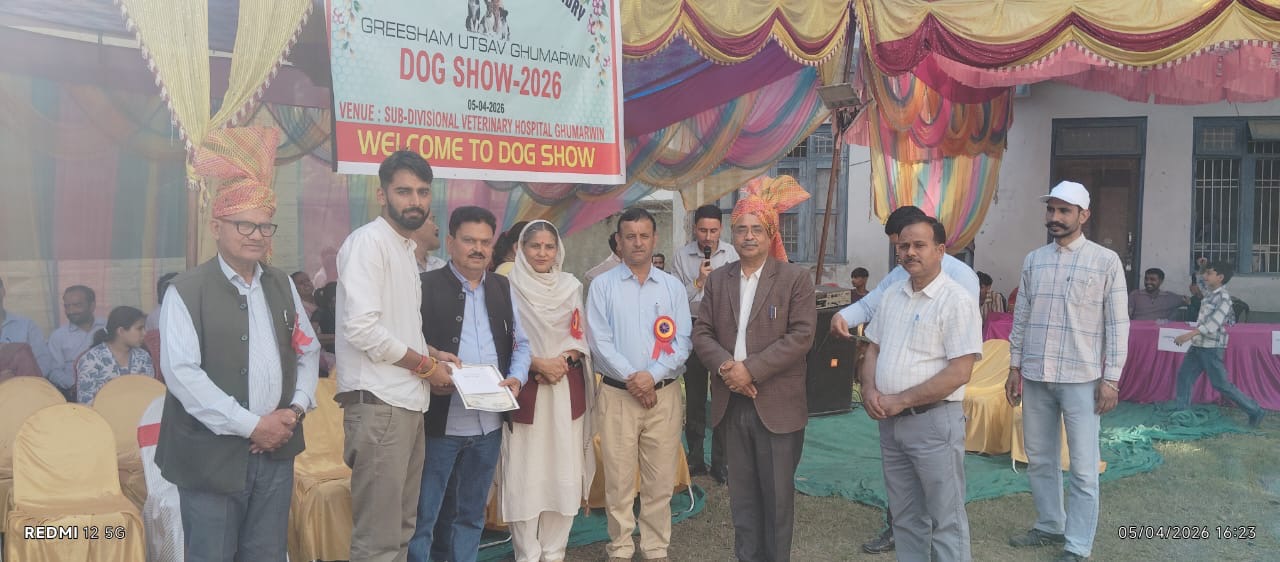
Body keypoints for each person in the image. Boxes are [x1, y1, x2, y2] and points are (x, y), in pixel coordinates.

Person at [155, 127, 321, 561]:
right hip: (210, 460)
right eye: (244, 224)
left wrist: (295, 410)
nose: (256, 234)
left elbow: (307, 351)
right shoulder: (186, 290)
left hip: (277, 453)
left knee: (267, 553)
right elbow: (182, 375)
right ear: (216, 227)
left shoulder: (282, 284)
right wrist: (252, 425)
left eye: (265, 225)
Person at [829, 205, 979, 555]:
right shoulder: (893, 293)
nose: (910, 252)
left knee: (946, 519)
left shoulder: (956, 299)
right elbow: (873, 348)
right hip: (890, 423)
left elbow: (960, 371)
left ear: (940, 250)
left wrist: (901, 400)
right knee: (905, 516)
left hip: (933, 422)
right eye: (904, 246)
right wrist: (868, 389)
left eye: (919, 245)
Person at [335, 150, 460, 562]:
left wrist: (434, 354)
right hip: (380, 406)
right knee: (378, 541)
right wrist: (427, 367)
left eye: (423, 192)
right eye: (404, 191)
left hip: (405, 404)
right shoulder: (368, 244)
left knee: (402, 531)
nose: (415, 201)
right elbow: (362, 330)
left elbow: (398, 327)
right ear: (381, 195)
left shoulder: (405, 249)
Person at [691, 177, 816, 562]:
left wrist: (751, 371)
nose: (748, 236)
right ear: (733, 235)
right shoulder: (719, 280)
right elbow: (702, 332)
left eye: (756, 229)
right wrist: (727, 368)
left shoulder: (794, 279)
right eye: (741, 229)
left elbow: (801, 336)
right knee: (742, 500)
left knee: (777, 501)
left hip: (776, 406)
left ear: (770, 233)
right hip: (732, 404)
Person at [1005, 180, 1128, 562]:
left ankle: (1077, 545)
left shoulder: (1105, 261)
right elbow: (1021, 318)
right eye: (1051, 210)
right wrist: (1014, 367)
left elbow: (1118, 325)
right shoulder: (1034, 260)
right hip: (1036, 375)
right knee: (1040, 458)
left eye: (1064, 211)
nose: (1055, 217)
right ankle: (1049, 525)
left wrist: (1111, 379)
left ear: (1083, 215)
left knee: (1084, 468)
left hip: (1082, 379)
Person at [410, 206, 530, 562]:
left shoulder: (502, 286)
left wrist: (517, 377)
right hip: (440, 424)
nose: (478, 249)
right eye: (469, 241)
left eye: (485, 242)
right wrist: (430, 368)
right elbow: (409, 343)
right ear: (451, 243)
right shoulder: (424, 286)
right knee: (425, 515)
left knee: (471, 514)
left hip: (489, 426)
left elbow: (521, 344)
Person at [588, 207, 692, 562]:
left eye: (643, 236)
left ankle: (655, 547)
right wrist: (635, 379)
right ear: (618, 241)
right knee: (618, 479)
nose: (637, 243)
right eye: (629, 236)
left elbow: (683, 341)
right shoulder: (602, 285)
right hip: (618, 394)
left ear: (654, 239)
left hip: (663, 395)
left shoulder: (672, 287)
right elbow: (599, 341)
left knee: (659, 479)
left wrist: (652, 377)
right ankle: (620, 546)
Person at [498, 220, 595, 562]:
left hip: (564, 390)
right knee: (524, 474)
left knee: (563, 473)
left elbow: (581, 338)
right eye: (534, 246)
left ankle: (554, 552)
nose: (542, 253)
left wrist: (562, 361)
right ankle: (527, 553)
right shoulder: (505, 285)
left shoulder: (571, 286)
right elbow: (499, 340)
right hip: (525, 390)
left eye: (548, 246)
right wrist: (536, 363)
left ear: (558, 250)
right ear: (520, 249)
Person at [670, 203, 740, 482]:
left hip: (724, 331)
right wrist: (699, 281)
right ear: (694, 229)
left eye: (713, 231)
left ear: (721, 229)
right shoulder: (681, 256)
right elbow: (676, 299)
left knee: (722, 396)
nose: (708, 237)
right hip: (693, 328)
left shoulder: (732, 254)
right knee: (695, 396)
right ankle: (696, 458)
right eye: (702, 230)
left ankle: (721, 462)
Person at [1172, 262, 1264, 427]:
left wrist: (1189, 335)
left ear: (1220, 277)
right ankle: (1182, 414)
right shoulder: (1210, 293)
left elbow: (1213, 325)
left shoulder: (1224, 298)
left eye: (1209, 273)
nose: (1205, 276)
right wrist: (1203, 267)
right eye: (1205, 273)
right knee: (1184, 377)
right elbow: (1199, 284)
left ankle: (1255, 410)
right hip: (1199, 345)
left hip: (1212, 348)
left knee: (1221, 385)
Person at [75, 305, 153, 404]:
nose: (144, 333)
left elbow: (150, 393)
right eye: (139, 328)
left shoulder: (143, 357)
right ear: (121, 331)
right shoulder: (91, 360)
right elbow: (85, 402)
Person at [48, 284, 106, 398]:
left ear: (92, 306)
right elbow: (54, 371)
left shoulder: (108, 327)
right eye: (67, 306)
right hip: (74, 393)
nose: (71, 311)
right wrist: (76, 385)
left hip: (110, 388)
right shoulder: (58, 336)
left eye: (77, 305)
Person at [0, 276, 55, 376]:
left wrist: (22, 380)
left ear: (3, 291)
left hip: (26, 383)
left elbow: (44, 361)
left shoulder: (26, 325)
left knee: (22, 352)